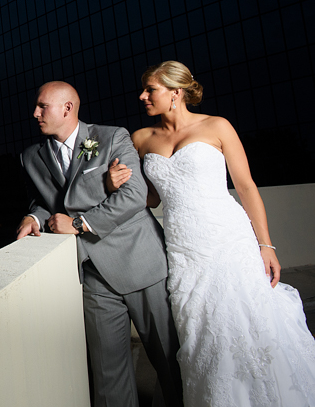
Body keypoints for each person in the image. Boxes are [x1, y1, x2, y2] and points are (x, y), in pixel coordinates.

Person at [107, 60, 315, 406]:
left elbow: (246, 187)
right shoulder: (141, 138)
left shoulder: (217, 126)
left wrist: (266, 244)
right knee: (201, 334)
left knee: (248, 323)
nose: (142, 96)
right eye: (143, 90)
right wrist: (116, 185)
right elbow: (151, 197)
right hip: (183, 249)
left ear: (176, 93)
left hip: (228, 240)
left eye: (150, 90)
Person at [16, 81, 183, 407]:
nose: (34, 113)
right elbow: (46, 199)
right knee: (108, 378)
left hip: (141, 263)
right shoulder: (30, 157)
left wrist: (77, 224)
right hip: (91, 275)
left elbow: (135, 196)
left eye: (41, 107)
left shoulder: (111, 137)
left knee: (170, 361)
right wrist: (33, 218)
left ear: (67, 108)